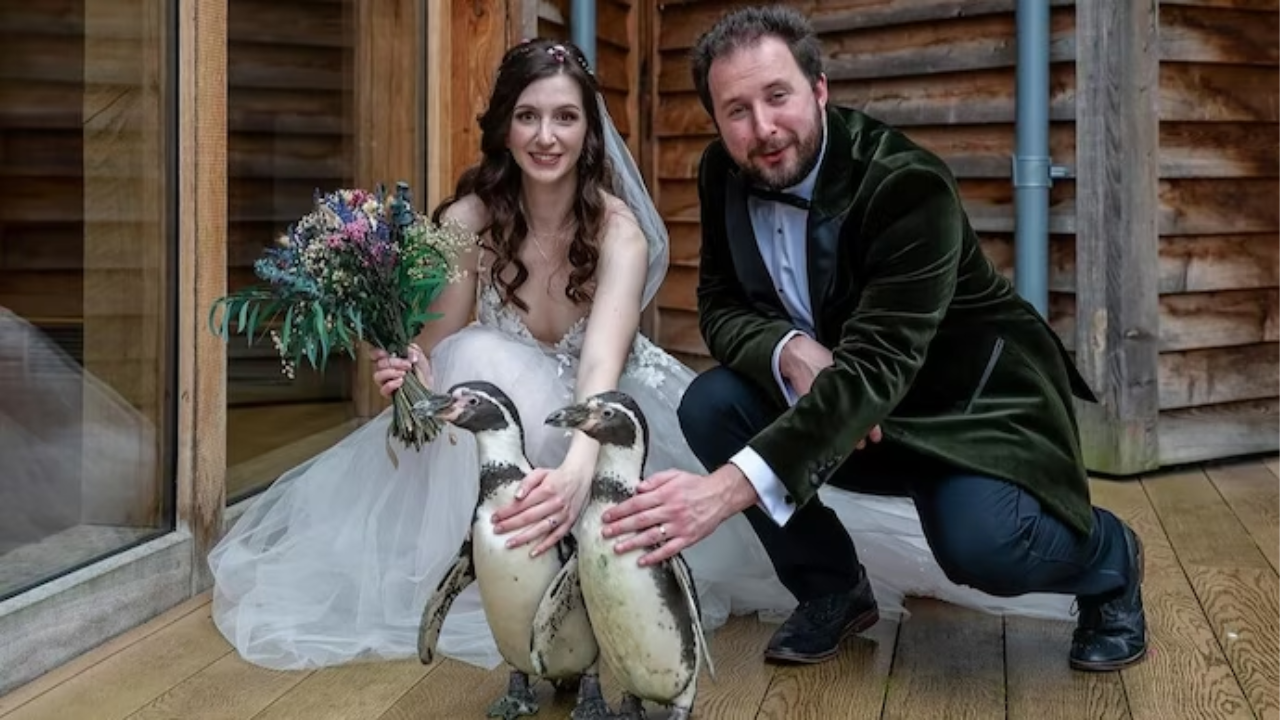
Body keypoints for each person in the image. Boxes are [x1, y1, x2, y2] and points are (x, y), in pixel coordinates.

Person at [208, 34, 1083, 675]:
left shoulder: (620, 226)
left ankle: (1081, 561)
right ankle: (505, 568)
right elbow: (439, 349)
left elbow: (600, 368)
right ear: (503, 129)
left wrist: (583, 464)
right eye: (527, 117)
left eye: (565, 118)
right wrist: (405, 369)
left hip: (623, 404)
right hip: (507, 410)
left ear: (591, 132)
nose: (547, 137)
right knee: (479, 358)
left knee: (959, 535)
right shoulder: (465, 222)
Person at [598, 5, 1148, 673]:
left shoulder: (906, 186)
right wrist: (788, 349)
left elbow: (876, 370)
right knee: (712, 405)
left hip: (965, 409)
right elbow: (719, 305)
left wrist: (723, 491)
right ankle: (832, 588)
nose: (762, 128)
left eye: (778, 96)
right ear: (715, 120)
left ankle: (1112, 559)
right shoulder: (722, 172)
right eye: (736, 110)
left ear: (820, 90)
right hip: (852, 408)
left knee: (981, 550)